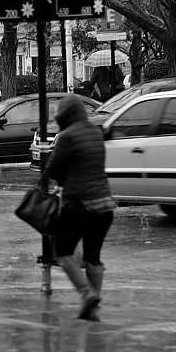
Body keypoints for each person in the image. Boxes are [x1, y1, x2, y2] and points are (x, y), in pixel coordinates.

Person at [44, 94, 115, 321]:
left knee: (63, 252)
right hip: (104, 205)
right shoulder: (96, 132)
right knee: (93, 257)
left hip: (79, 205)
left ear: (64, 115)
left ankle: (87, 294)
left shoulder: (66, 136)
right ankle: (92, 309)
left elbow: (54, 172)